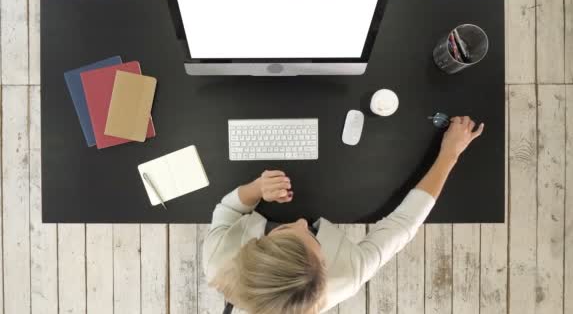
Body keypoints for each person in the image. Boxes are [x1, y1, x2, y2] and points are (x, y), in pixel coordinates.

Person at [203, 116, 484, 314]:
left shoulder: (218, 261)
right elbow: (403, 224)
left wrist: (256, 188)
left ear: (257, 244)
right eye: (314, 240)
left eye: (289, 230)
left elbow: (227, 210)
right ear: (325, 270)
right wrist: (450, 154)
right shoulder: (347, 275)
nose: (302, 222)